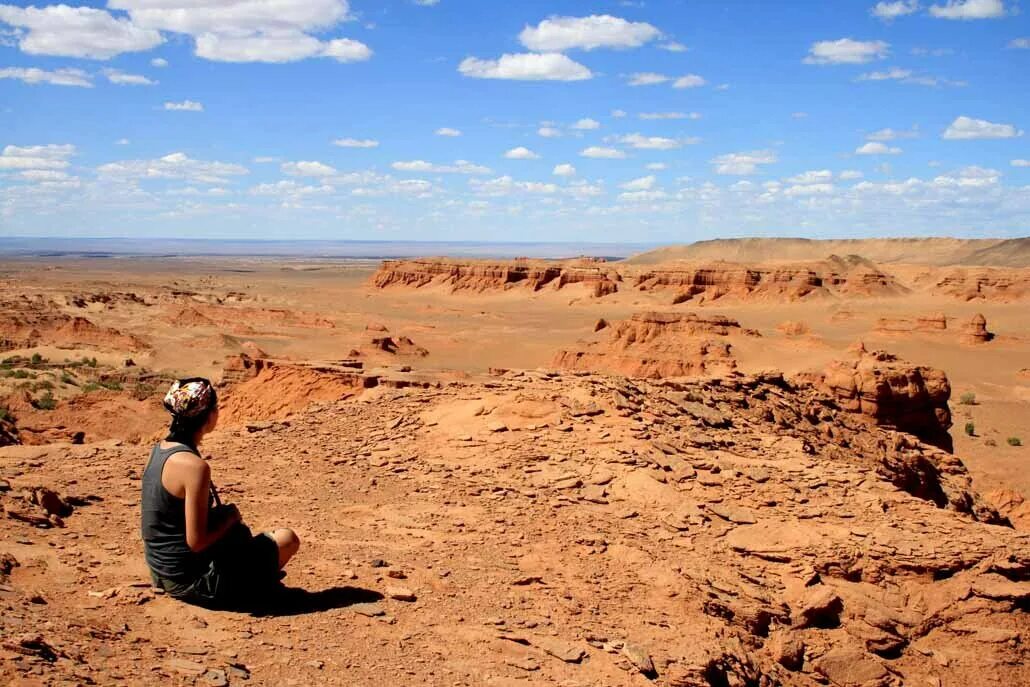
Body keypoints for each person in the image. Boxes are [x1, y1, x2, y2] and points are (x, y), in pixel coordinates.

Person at [141, 377, 300, 609]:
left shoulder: (160, 450)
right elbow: (196, 542)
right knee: (287, 539)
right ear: (208, 416)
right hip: (191, 581)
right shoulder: (194, 467)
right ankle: (253, 589)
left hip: (162, 572)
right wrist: (230, 518)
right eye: (215, 408)